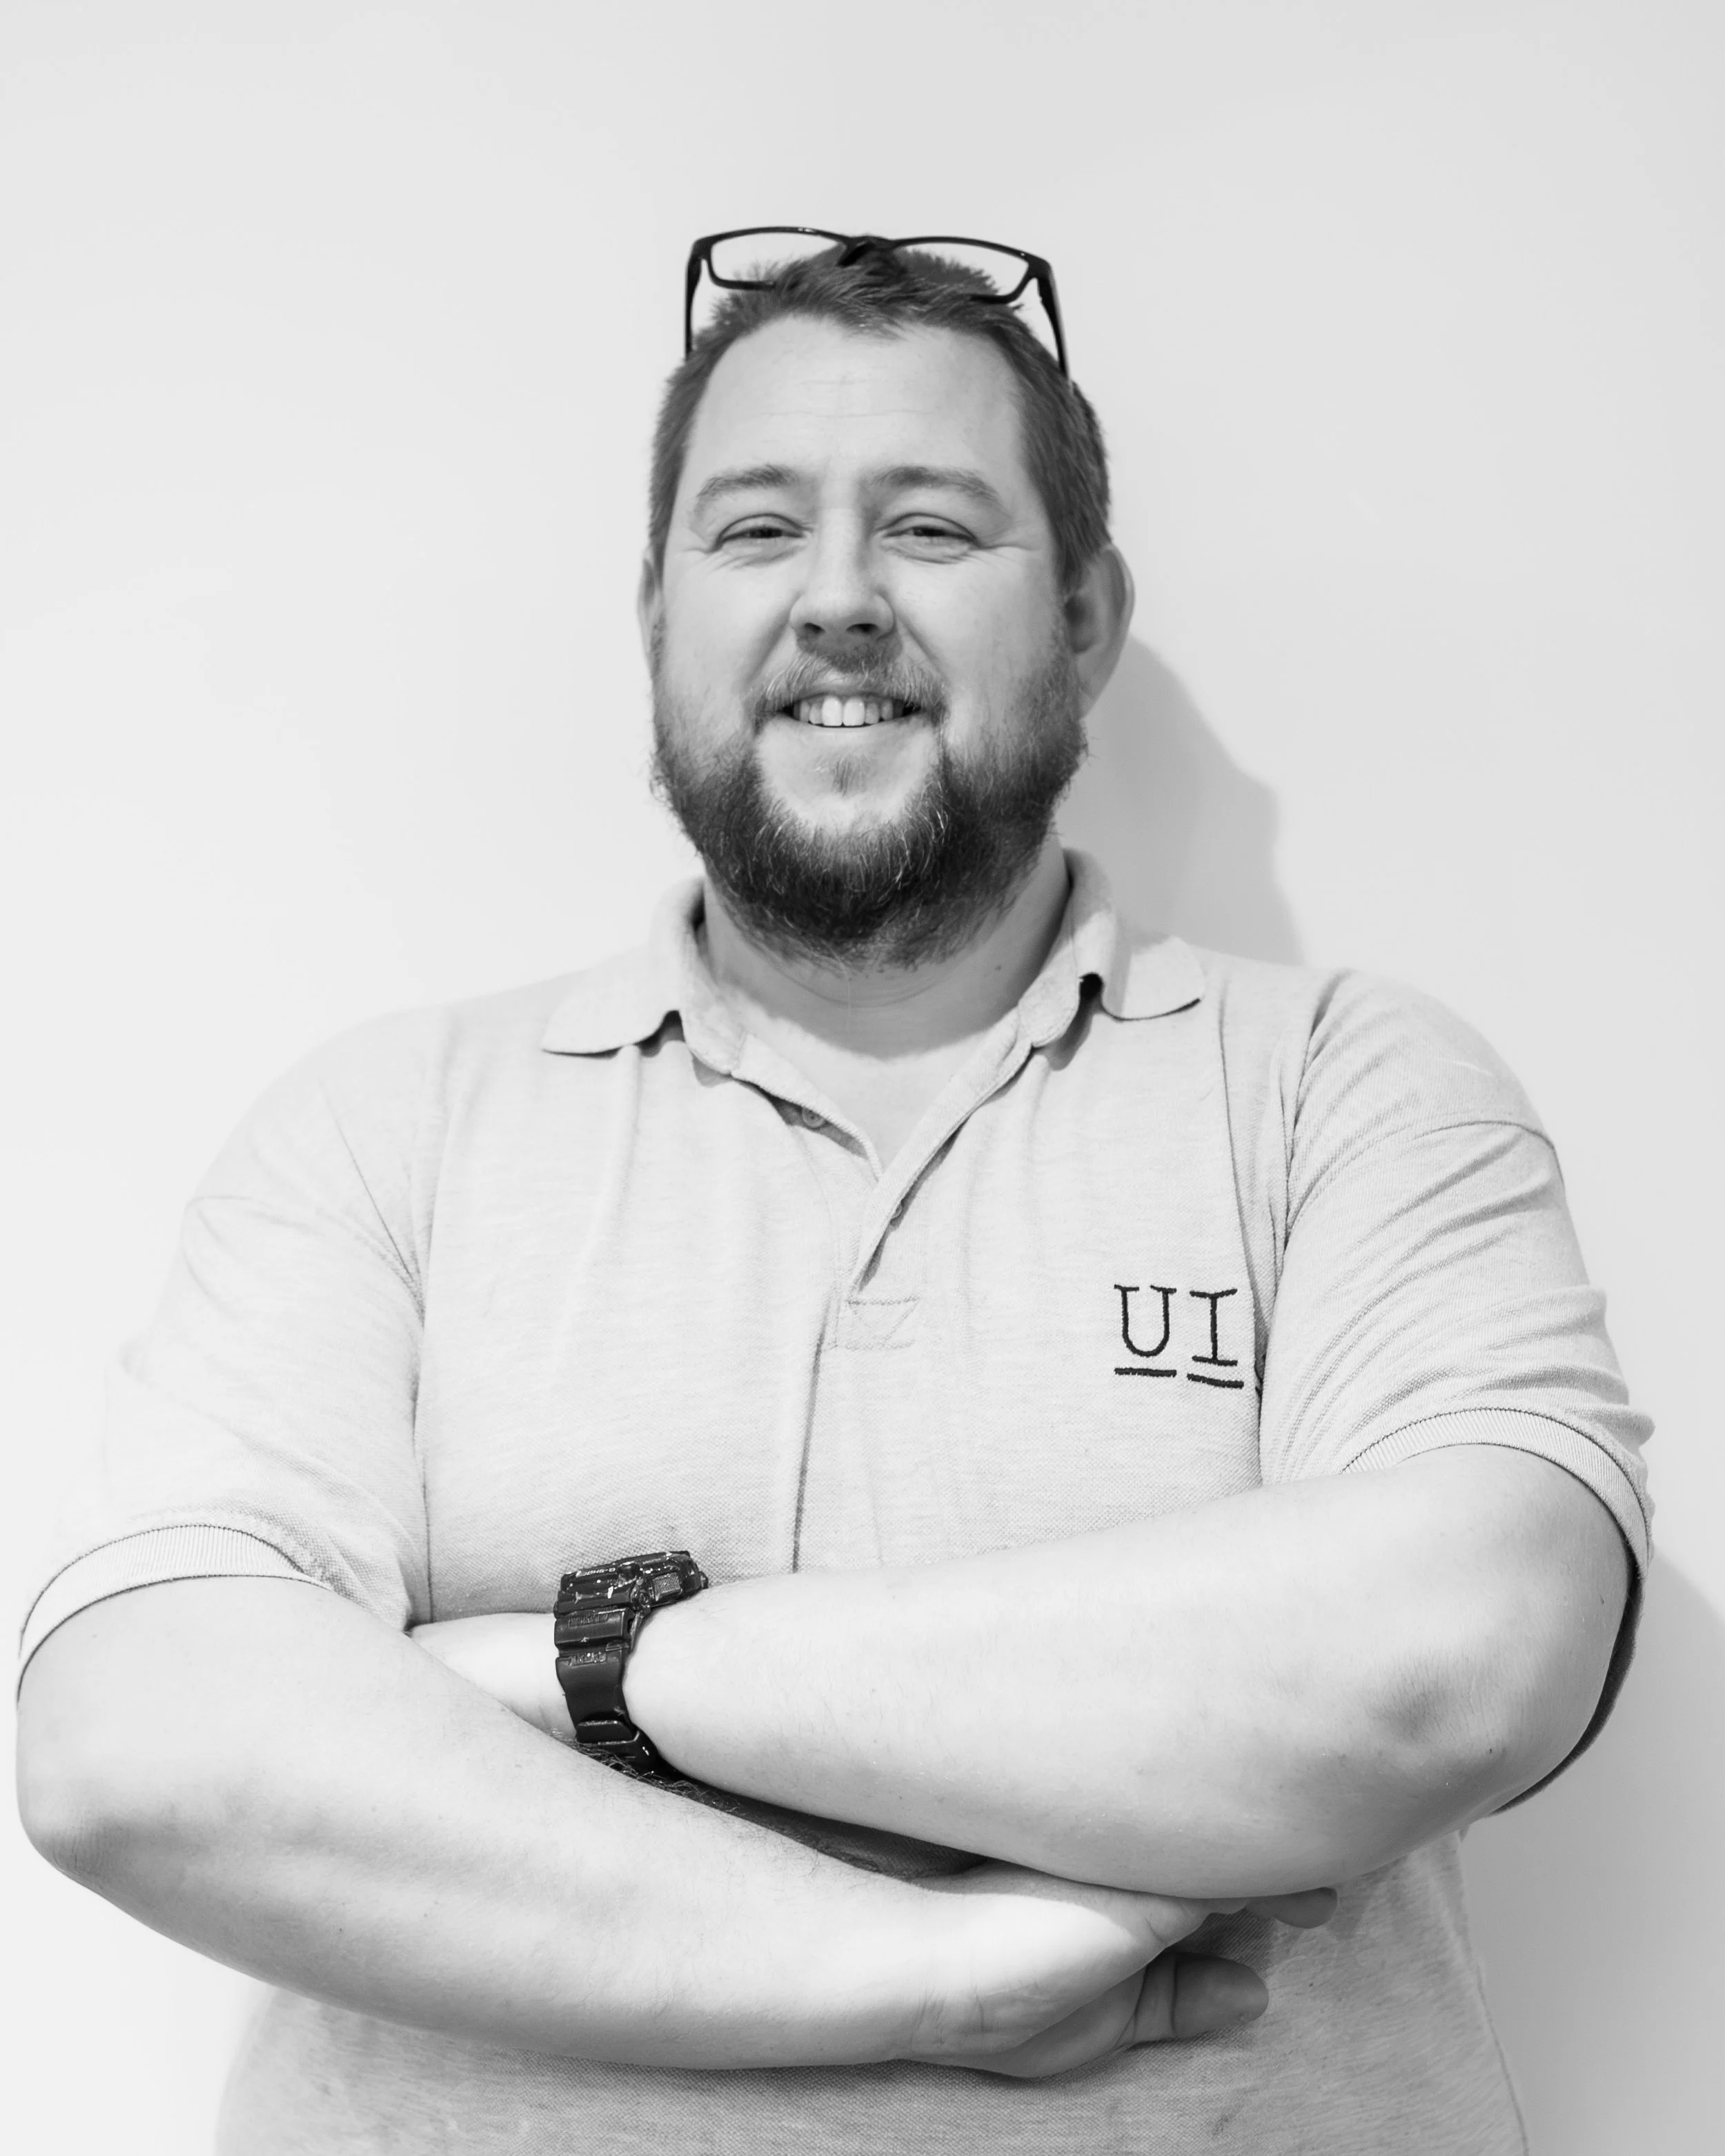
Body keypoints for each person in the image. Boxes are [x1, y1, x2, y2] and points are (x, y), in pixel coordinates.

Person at [17, 230, 1650, 2155]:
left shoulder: (1342, 1094)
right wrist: (939, 1981)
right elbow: (138, 1749)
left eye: (935, 528)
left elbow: (1447, 1665)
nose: (840, 601)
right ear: (656, 616)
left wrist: (580, 1669)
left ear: (1088, 619)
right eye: (757, 527)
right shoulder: (386, 1130)